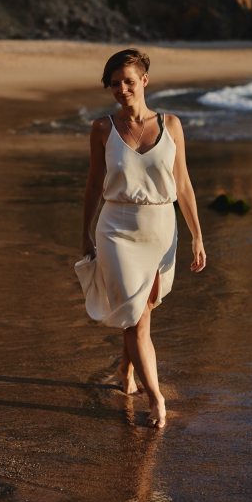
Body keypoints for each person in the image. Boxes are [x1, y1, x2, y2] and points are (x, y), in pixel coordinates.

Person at [76, 48, 206, 428]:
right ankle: (156, 398)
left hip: (161, 229)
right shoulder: (102, 128)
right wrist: (85, 232)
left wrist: (197, 235)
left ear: (144, 80)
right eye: (114, 83)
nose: (121, 89)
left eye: (128, 81)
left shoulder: (172, 124)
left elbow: (183, 185)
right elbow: (94, 185)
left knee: (142, 311)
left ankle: (124, 367)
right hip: (117, 230)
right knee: (135, 320)